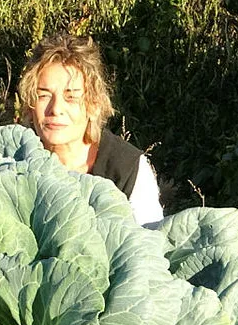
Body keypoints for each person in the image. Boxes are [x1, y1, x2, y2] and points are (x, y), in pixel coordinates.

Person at [17, 33, 164, 226]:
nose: (56, 109)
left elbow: (148, 240)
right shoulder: (11, 162)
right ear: (30, 104)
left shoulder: (126, 169)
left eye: (71, 97)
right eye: (44, 95)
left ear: (94, 105)